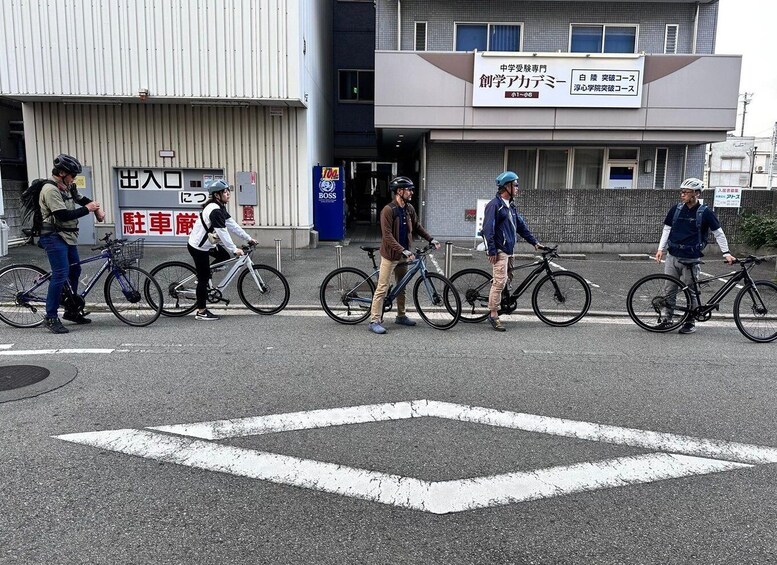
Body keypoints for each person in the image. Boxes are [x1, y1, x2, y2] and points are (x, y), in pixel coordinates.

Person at [655, 177, 737, 334]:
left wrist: (726, 253)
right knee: (669, 289)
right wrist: (661, 249)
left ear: (697, 194)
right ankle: (667, 320)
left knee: (691, 290)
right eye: (682, 192)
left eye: (686, 192)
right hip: (672, 255)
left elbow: (718, 233)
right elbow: (667, 229)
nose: (682, 195)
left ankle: (690, 321)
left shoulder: (705, 213)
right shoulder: (676, 209)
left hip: (691, 258)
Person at [39, 154, 105, 334]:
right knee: (60, 274)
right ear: (61, 173)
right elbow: (62, 215)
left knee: (75, 270)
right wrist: (87, 210)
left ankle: (71, 310)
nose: (74, 179)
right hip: (53, 236)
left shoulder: (68, 187)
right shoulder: (50, 190)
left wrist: (96, 208)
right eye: (72, 175)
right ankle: (51, 317)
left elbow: (82, 199)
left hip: (68, 236)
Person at [368, 176, 439, 334]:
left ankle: (401, 315)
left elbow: (418, 227)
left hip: (403, 254)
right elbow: (386, 235)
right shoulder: (388, 210)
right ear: (399, 191)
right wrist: (403, 250)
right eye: (409, 189)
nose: (411, 192)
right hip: (390, 255)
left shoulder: (409, 209)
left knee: (402, 286)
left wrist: (431, 239)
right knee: (382, 287)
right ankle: (374, 320)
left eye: (411, 189)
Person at [187, 179, 257, 321]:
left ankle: (206, 275)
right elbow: (223, 232)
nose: (228, 194)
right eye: (225, 192)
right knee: (203, 277)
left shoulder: (219, 207)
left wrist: (248, 238)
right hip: (198, 247)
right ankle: (201, 311)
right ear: (217, 195)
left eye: (228, 191)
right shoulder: (215, 211)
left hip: (208, 244)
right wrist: (234, 249)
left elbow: (232, 225)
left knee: (223, 257)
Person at [481, 171, 543, 332]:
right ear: (506, 187)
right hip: (500, 250)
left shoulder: (511, 206)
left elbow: (521, 227)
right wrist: (492, 251)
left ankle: (501, 303)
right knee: (500, 281)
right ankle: (493, 314)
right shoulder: (494, 205)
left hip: (509, 249)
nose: (517, 188)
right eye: (515, 185)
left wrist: (534, 242)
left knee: (508, 278)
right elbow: (488, 229)